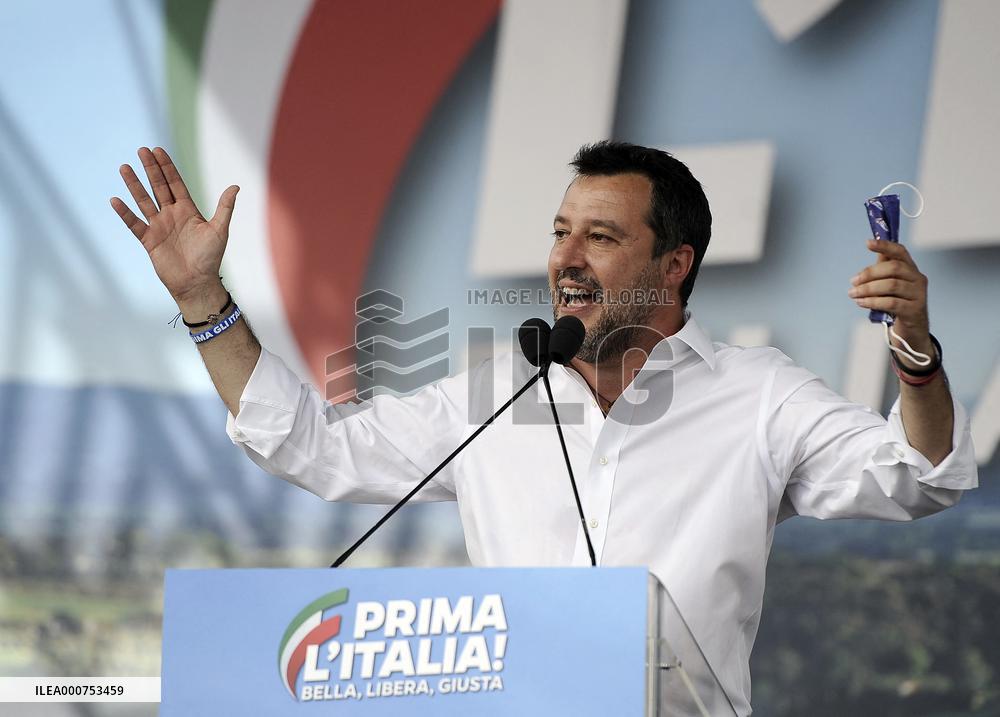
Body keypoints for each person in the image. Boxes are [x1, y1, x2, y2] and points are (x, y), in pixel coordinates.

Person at [111, 141, 978, 715]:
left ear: (674, 265)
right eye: (561, 232)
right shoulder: (487, 398)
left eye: (600, 236)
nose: (564, 256)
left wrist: (915, 353)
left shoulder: (759, 397)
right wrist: (204, 304)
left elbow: (924, 474)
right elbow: (310, 444)